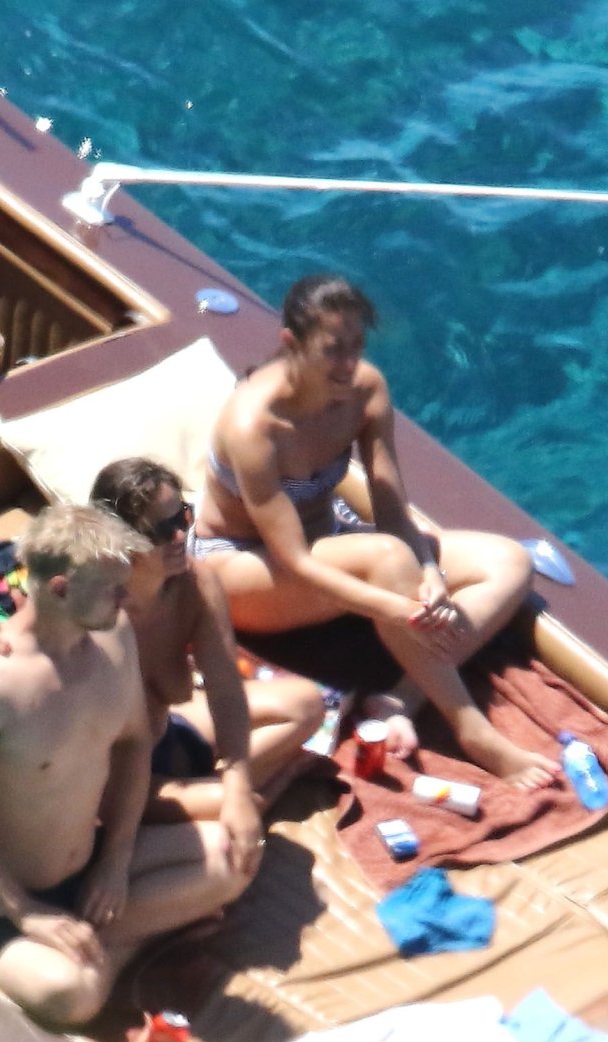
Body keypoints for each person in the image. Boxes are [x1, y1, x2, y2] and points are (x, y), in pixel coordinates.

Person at [190, 273, 558, 789]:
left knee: (508, 561)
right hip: (242, 565)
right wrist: (398, 607)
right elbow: (296, 560)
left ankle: (403, 697)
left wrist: (428, 573)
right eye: (332, 350)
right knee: (387, 560)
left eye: (356, 346)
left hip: (335, 542)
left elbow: (390, 506)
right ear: (291, 342)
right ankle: (473, 731)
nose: (349, 364)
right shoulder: (254, 426)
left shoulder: (365, 391)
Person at [0, 504, 250, 1028]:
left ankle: (96, 943)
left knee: (235, 857)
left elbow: (134, 743)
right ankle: (115, 948)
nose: (126, 598)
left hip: (88, 869)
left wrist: (116, 859)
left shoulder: (114, 637)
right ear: (60, 589)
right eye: (113, 589)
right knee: (69, 993)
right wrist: (26, 913)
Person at [0, 458, 328, 857]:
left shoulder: (196, 585)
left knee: (306, 705)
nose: (181, 535)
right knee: (231, 818)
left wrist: (237, 784)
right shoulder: (86, 606)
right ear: (122, 539)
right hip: (112, 781)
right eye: (163, 530)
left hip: (167, 733)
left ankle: (218, 793)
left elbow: (226, 693)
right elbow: (17, 650)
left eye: (183, 516)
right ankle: (248, 791)